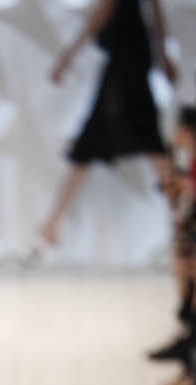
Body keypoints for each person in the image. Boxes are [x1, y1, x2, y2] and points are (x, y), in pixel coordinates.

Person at [35, 0, 175, 253]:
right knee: (149, 148)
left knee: (103, 148)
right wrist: (163, 56)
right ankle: (51, 225)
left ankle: (51, 225)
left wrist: (67, 57)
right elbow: (154, 17)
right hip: (132, 66)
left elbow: (101, 17)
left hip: (123, 74)